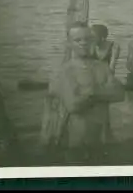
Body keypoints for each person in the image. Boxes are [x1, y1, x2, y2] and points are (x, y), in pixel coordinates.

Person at [41, 22, 125, 164]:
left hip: (103, 140)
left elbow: (119, 94)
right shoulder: (64, 71)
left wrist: (90, 92)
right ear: (69, 44)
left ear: (93, 40)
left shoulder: (102, 67)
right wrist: (103, 92)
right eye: (78, 40)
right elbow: (74, 105)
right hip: (75, 144)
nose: (83, 43)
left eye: (87, 39)